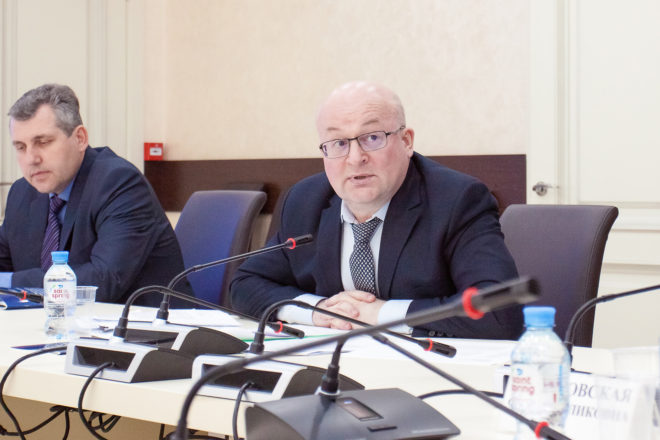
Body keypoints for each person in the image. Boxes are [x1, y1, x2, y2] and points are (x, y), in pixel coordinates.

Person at [230, 81, 522, 339]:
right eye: (338, 143)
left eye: (372, 138)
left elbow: (498, 310)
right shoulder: (305, 200)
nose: (355, 158)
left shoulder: (456, 200)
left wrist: (379, 314)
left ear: (406, 141)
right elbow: (245, 285)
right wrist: (318, 311)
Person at [0, 83, 188, 306]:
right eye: (21, 147)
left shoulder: (119, 183)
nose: (31, 158)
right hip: (57, 323)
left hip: (144, 323)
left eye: (43, 142)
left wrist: (9, 282)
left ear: (80, 138)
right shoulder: (22, 192)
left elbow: (104, 279)